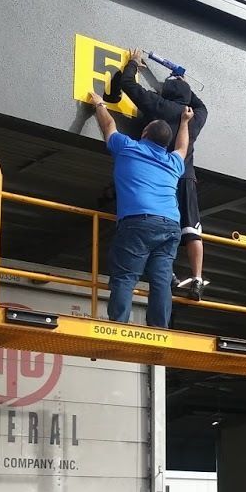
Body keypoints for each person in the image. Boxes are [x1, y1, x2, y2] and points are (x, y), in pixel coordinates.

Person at [108, 50, 210, 300]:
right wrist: (185, 85)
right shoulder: (194, 118)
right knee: (191, 228)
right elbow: (201, 106)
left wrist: (132, 63)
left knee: (164, 223)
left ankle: (171, 275)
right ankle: (197, 278)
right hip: (184, 175)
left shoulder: (158, 105)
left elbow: (128, 84)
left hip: (161, 176)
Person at [87, 88, 192, 329]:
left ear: (144, 133)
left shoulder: (128, 147)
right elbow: (183, 147)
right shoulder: (173, 162)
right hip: (170, 225)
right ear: (165, 143)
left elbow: (109, 126)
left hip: (138, 222)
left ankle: (119, 325)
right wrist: (184, 121)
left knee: (126, 276)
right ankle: (159, 328)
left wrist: (99, 104)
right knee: (161, 280)